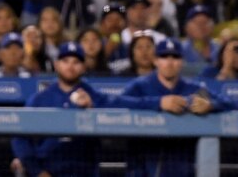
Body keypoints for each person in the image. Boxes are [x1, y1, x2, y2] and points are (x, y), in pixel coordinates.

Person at [10, 41, 155, 177]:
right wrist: (37, 171)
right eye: (65, 61)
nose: (70, 66)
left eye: (76, 62)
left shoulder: (93, 97)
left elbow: (129, 104)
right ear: (56, 64)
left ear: (84, 67)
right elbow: (19, 137)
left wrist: (159, 102)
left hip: (83, 169)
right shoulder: (39, 99)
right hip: (48, 169)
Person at [122, 38, 237, 176]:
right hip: (143, 165)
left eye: (175, 57)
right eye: (164, 57)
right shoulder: (139, 86)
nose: (170, 63)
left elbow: (232, 105)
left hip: (181, 166)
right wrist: (158, 103)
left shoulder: (193, 88)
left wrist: (211, 105)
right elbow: (118, 105)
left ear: (182, 62)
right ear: (156, 61)